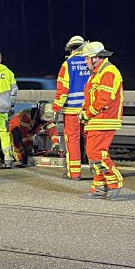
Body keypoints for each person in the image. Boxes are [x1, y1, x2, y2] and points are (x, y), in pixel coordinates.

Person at [80, 41, 124, 199]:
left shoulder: (108, 71)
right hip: (97, 119)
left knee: (96, 153)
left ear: (96, 57)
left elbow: (104, 98)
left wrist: (88, 113)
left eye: (86, 59)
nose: (85, 62)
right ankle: (99, 187)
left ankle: (114, 181)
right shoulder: (98, 73)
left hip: (104, 119)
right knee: (93, 154)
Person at [51, 35, 91, 179]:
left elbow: (63, 89)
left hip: (71, 111)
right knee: (92, 139)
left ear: (70, 48)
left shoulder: (68, 64)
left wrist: (55, 109)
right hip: (89, 110)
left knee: (72, 140)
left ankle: (74, 173)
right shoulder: (91, 61)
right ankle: (98, 171)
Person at [8, 101, 60, 167]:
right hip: (16, 128)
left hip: (30, 133)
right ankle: (20, 158)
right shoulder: (27, 115)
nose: (45, 121)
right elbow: (23, 135)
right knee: (18, 142)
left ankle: (25, 156)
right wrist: (26, 149)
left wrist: (56, 143)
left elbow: (52, 131)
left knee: (30, 150)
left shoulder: (47, 118)